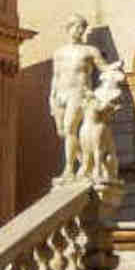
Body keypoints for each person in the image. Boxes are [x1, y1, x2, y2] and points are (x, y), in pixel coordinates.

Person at [49, 15, 109, 181]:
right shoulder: (59, 52)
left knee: (69, 128)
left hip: (79, 92)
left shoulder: (90, 51)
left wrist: (114, 71)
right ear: (68, 29)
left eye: (82, 27)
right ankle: (86, 165)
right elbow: (56, 75)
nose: (80, 30)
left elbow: (103, 67)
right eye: (77, 27)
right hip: (60, 94)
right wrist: (51, 97)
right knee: (63, 132)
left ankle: (69, 169)